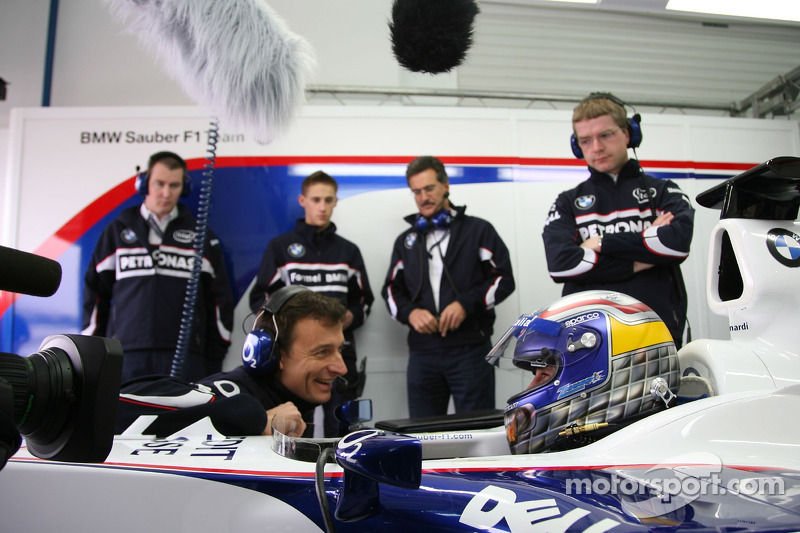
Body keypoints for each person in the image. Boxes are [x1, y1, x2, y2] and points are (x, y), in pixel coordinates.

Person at [542, 93, 694, 347]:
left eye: (606, 135)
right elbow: (561, 265)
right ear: (577, 146)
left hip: (657, 332)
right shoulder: (567, 202)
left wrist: (599, 242)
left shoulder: (664, 191)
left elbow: (675, 244)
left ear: (628, 134)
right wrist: (642, 259)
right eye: (585, 140)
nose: (597, 148)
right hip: (588, 339)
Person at [115, 286, 348, 438]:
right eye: (322, 352)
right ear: (272, 353)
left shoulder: (297, 399)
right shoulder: (234, 393)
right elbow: (116, 406)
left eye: (339, 349)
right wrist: (253, 418)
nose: (341, 368)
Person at [382, 155, 516, 418]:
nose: (423, 197)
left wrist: (466, 303)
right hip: (422, 355)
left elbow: (504, 279)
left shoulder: (479, 230)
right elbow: (389, 291)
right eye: (416, 192)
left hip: (471, 352)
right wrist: (410, 313)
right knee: (423, 438)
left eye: (429, 188)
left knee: (476, 432)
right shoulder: (405, 241)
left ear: (446, 186)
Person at [82, 151, 234, 382]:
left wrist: (215, 355)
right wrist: (93, 350)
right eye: (159, 184)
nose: (166, 193)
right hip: (126, 354)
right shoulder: (116, 232)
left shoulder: (200, 234)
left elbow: (219, 299)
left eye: (174, 185)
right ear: (144, 183)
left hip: (185, 355)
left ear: (184, 188)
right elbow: (95, 294)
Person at [249, 170, 374, 438]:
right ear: (302, 200)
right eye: (316, 199)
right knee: (294, 432)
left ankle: (337, 479)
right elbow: (259, 302)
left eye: (328, 200)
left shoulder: (348, 251)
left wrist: (350, 317)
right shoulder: (281, 248)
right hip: (295, 359)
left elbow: (364, 303)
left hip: (339, 355)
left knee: (342, 432)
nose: (322, 207)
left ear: (336, 202)